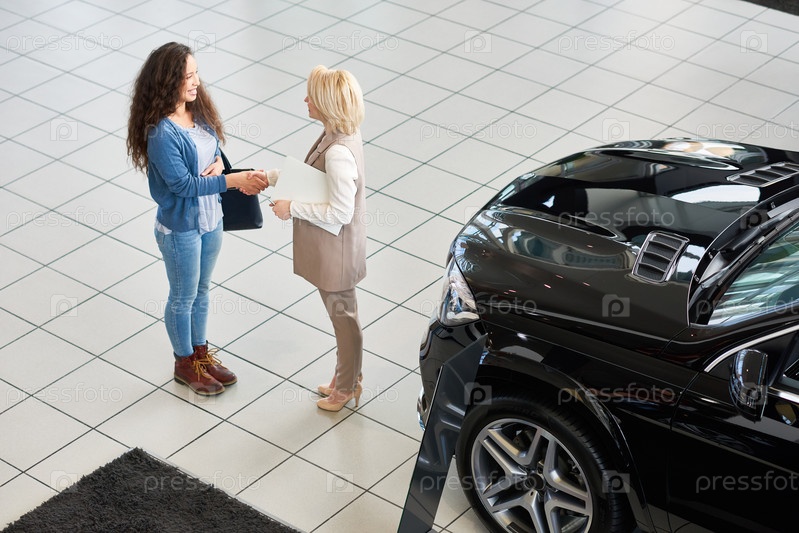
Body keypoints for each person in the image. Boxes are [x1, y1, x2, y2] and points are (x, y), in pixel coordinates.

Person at [126, 42, 266, 396]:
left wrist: (219, 164)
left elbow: (212, 149)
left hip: (211, 219)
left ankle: (201, 355)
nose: (196, 82)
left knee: (202, 291)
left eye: (196, 73)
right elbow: (184, 186)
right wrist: (232, 180)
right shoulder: (161, 133)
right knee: (183, 296)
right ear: (167, 81)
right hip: (181, 229)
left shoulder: (197, 111)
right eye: (188, 76)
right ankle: (184, 363)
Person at [267, 65, 367, 412]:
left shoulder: (338, 152)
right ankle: (347, 378)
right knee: (343, 320)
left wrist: (291, 208)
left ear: (326, 103)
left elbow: (340, 212)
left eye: (311, 95)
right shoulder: (337, 134)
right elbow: (314, 180)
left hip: (337, 255)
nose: (305, 99)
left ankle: (347, 387)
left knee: (344, 323)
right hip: (337, 251)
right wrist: (270, 177)